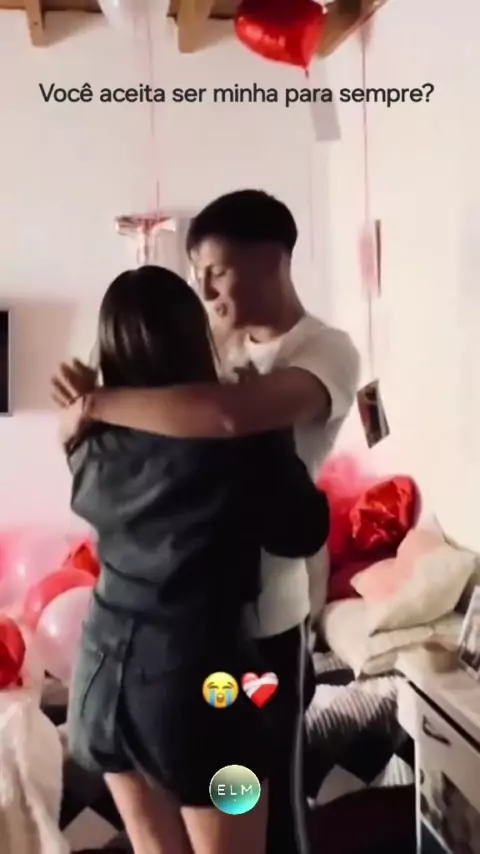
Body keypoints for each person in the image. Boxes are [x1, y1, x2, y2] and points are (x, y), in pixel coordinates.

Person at [52, 190, 360, 854]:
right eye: (198, 280)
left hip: (102, 680)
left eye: (216, 271)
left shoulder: (88, 440)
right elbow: (297, 524)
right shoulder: (239, 431)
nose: (208, 290)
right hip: (206, 688)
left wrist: (91, 405)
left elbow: (215, 414)